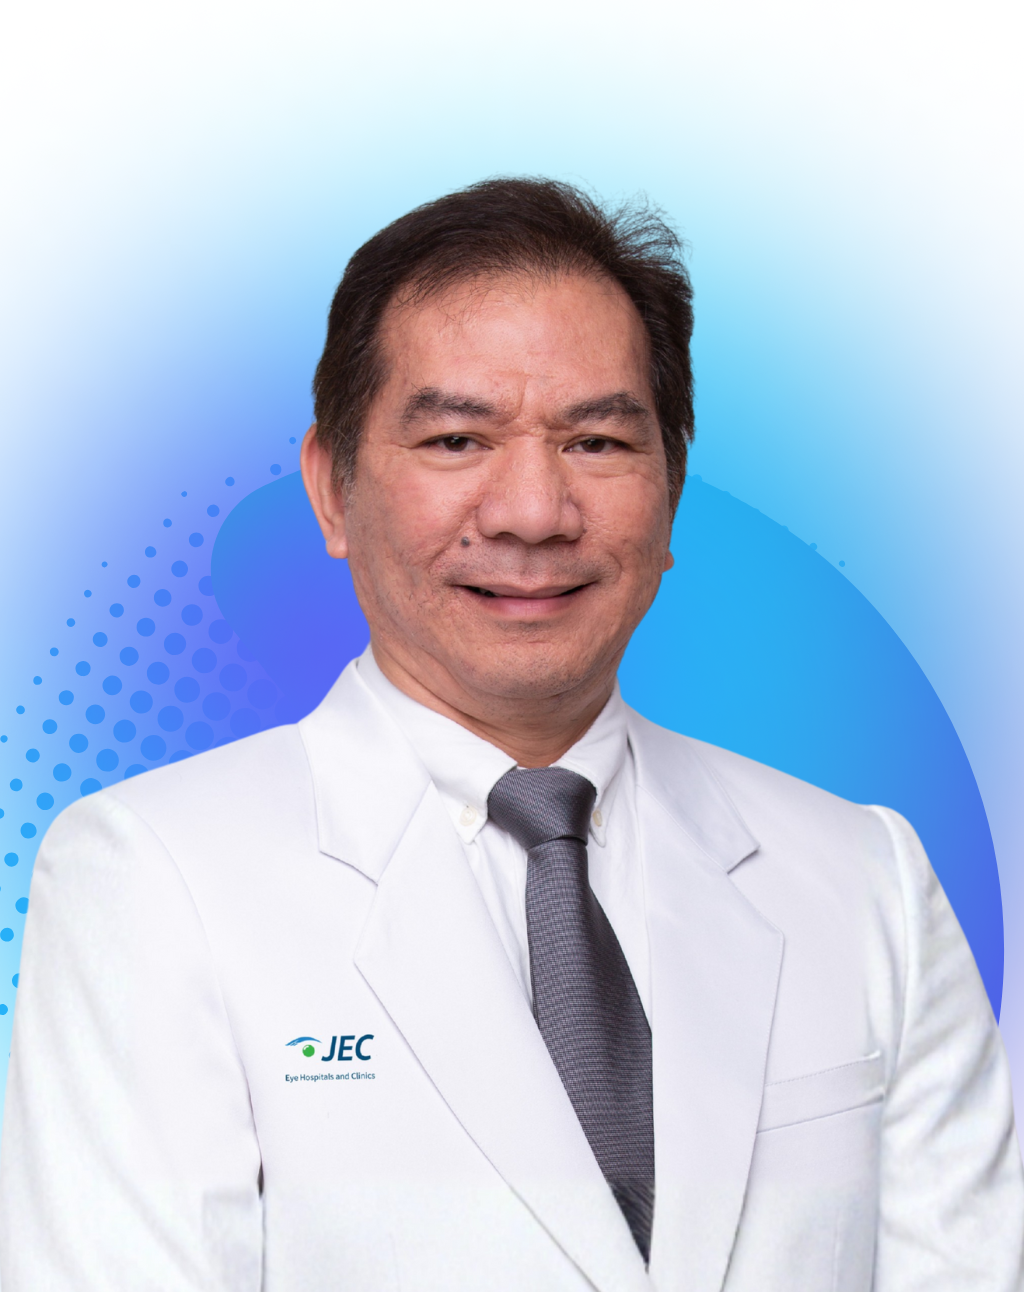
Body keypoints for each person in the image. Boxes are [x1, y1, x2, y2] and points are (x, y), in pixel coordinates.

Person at [1, 178, 1021, 1292]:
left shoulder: (864, 875)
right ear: (333, 490)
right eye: (456, 438)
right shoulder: (152, 872)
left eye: (596, 441)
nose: (533, 512)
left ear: (671, 488)